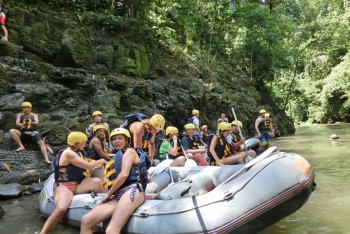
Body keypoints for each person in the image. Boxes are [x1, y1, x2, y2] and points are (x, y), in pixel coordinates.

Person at [80, 128, 149, 234]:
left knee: (111, 230)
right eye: (114, 139)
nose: (116, 141)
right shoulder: (118, 155)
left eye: (120, 138)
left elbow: (124, 175)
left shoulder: (130, 151)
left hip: (133, 190)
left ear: (126, 141)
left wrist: (108, 194)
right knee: (86, 220)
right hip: (119, 194)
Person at [39, 132, 107, 233]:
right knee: (61, 209)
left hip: (78, 184)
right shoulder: (68, 153)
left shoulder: (80, 152)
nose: (85, 144)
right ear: (76, 144)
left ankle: (98, 208)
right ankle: (43, 232)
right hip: (65, 186)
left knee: (97, 182)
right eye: (83, 142)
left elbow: (87, 161)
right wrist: (101, 160)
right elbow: (87, 166)